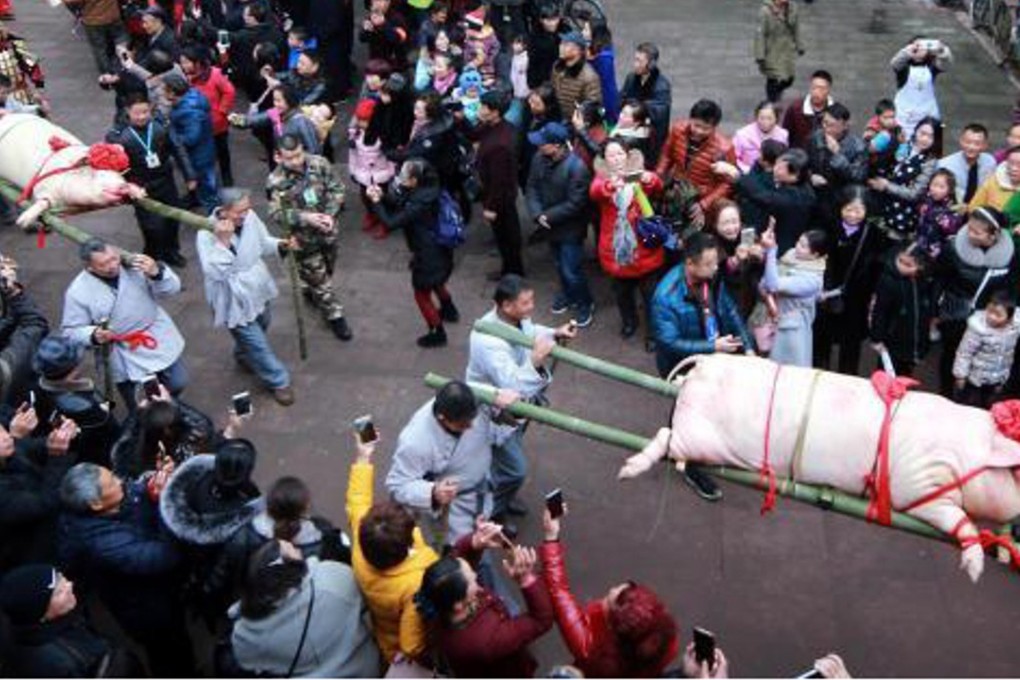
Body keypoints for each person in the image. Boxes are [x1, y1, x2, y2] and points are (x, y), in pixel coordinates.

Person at [57, 461, 194, 676]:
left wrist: (154, 483)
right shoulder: (104, 544)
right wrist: (165, 503)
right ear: (95, 504)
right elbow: (166, 556)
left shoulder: (110, 504)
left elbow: (135, 494)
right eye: (111, 481)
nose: (119, 480)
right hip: (145, 607)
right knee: (167, 650)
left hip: (160, 589)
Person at [650, 231, 753, 501]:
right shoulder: (665, 297)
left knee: (716, 403)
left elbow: (728, 308)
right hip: (683, 365)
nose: (716, 268)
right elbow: (668, 341)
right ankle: (689, 465)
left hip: (714, 355)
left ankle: (711, 446)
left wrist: (748, 345)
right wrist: (712, 347)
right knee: (688, 412)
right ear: (690, 264)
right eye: (709, 264)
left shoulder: (712, 276)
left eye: (716, 262)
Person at [466, 277, 575, 520]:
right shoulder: (487, 341)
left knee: (504, 463)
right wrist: (536, 360)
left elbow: (531, 332)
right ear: (506, 305)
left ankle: (501, 492)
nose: (531, 307)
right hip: (494, 412)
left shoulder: (516, 319)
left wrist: (554, 333)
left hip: (513, 411)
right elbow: (512, 385)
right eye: (526, 303)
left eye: (531, 301)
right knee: (515, 471)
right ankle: (492, 514)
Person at [540, 508, 680, 678]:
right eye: (629, 585)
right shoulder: (667, 644)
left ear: (612, 627)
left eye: (607, 601)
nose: (612, 589)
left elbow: (558, 590)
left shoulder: (587, 645)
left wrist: (551, 537)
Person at [196, 188, 297, 406]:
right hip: (233, 294)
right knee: (257, 342)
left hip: (257, 285)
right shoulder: (205, 233)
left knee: (264, 321)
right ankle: (279, 381)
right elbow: (213, 271)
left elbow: (262, 242)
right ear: (223, 211)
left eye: (247, 209)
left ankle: (243, 354)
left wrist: (280, 244)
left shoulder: (250, 218)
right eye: (239, 211)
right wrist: (222, 243)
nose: (245, 215)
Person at [386, 380, 514, 547]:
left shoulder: (477, 393)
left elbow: (505, 410)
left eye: (472, 419)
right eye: (463, 424)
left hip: (482, 489)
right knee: (466, 550)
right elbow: (397, 485)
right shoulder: (415, 441)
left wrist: (511, 406)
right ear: (442, 418)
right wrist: (433, 492)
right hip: (455, 508)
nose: (470, 426)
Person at [345, 431, 437, 664]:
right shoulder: (415, 583)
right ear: (407, 543)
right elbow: (410, 644)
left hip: (384, 634)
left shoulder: (361, 539)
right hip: (400, 647)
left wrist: (363, 457)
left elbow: (358, 499)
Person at [61, 239, 187, 408]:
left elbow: (171, 289)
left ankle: (168, 408)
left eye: (113, 258)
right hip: (122, 350)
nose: (112, 266)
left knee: (178, 381)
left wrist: (157, 272)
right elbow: (70, 331)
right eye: (103, 264)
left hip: (154, 333)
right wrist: (93, 335)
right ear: (89, 267)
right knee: (138, 403)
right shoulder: (77, 291)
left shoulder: (137, 266)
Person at [227, 539, 381, 677]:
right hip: (362, 670)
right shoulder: (333, 578)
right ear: (292, 569)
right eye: (294, 549)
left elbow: (246, 661)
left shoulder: (246, 634)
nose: (300, 551)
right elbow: (366, 602)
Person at [207, 475, 351, 611]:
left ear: (268, 506)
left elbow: (220, 577)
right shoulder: (326, 538)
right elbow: (344, 571)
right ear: (305, 508)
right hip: (302, 608)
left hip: (255, 603)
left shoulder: (243, 536)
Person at [414, 542, 553, 678]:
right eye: (472, 581)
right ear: (459, 605)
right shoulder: (484, 641)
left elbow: (456, 567)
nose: (475, 576)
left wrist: (473, 542)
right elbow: (541, 620)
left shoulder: (440, 600)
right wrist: (526, 579)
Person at [266, 134, 353, 341]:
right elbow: (277, 214)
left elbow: (337, 188)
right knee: (321, 280)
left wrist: (329, 214)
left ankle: (311, 288)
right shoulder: (275, 182)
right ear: (278, 157)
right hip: (302, 240)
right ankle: (335, 315)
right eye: (290, 158)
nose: (296, 161)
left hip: (328, 233)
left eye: (299, 154)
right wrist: (305, 217)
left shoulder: (319, 164)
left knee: (328, 270)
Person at [366, 159, 459, 348]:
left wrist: (376, 203)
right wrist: (383, 196)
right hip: (440, 249)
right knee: (436, 282)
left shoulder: (419, 203)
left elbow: (391, 222)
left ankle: (436, 331)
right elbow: (402, 203)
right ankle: (449, 309)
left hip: (427, 253)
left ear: (415, 180)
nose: (400, 180)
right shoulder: (429, 189)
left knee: (421, 293)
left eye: (404, 178)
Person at [936, 207, 1018, 395]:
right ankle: (946, 393)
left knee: (982, 357)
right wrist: (934, 312)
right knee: (952, 354)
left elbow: (1011, 286)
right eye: (969, 228)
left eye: (977, 232)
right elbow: (940, 279)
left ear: (994, 234)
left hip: (988, 316)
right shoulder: (954, 247)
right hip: (956, 311)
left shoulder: (1011, 253)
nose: (970, 234)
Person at [590, 138, 665, 338]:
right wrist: (610, 185)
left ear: (628, 154)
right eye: (611, 155)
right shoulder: (602, 178)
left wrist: (652, 178)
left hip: (644, 244)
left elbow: (657, 185)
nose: (616, 159)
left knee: (650, 296)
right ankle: (629, 322)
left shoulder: (637, 174)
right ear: (604, 159)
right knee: (623, 294)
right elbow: (596, 191)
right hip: (617, 248)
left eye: (620, 153)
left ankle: (652, 333)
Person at [106, 93, 191, 267]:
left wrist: (190, 175)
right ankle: (152, 255)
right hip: (140, 186)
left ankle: (172, 252)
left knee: (173, 218)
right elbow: (115, 167)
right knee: (151, 226)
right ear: (128, 111)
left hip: (165, 181)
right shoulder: (118, 135)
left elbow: (178, 149)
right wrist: (126, 187)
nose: (142, 116)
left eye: (145, 112)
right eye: (137, 113)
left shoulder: (161, 126)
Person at [526, 121, 595, 325]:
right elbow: (531, 188)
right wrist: (537, 214)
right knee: (559, 264)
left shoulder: (577, 168)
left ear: (556, 145)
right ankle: (568, 294)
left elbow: (575, 204)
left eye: (543, 143)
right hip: (549, 226)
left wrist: (547, 216)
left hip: (570, 229)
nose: (538, 146)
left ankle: (585, 303)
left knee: (571, 270)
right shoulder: (538, 158)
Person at [813, 186, 885, 375]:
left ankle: (847, 376)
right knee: (822, 338)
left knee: (851, 343)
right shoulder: (828, 226)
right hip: (828, 293)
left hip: (857, 298)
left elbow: (877, 268)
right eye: (849, 209)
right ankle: (821, 372)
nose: (853, 215)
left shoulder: (874, 234)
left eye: (858, 210)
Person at [0, 563, 119, 677]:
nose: (69, 585)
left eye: (62, 578)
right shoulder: (56, 666)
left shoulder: (62, 614)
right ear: (41, 613)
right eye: (59, 592)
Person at [0, 411, 78, 571]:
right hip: (31, 553)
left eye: (2, 430)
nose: (6, 436)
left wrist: (64, 435)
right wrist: (57, 457)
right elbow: (43, 504)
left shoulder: (10, 451)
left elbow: (39, 446)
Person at [33, 336, 121, 467]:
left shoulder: (37, 386)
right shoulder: (86, 407)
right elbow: (115, 435)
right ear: (73, 371)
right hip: (95, 460)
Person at [656, 99, 736, 230]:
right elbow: (667, 155)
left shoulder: (725, 148)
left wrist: (704, 204)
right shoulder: (677, 130)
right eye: (696, 125)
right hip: (676, 190)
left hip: (702, 198)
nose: (698, 131)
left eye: (705, 128)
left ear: (715, 127)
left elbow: (727, 183)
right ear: (690, 119)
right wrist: (658, 175)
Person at [719, 148, 815, 253]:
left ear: (795, 175)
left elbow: (764, 196)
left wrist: (736, 174)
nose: (775, 168)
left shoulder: (798, 198)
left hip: (779, 245)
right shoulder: (783, 181)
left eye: (780, 167)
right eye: (777, 163)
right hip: (757, 229)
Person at [759, 225, 827, 367]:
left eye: (803, 246)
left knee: (791, 373)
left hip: (792, 331)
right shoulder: (790, 256)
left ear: (815, 255)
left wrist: (771, 251)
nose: (797, 247)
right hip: (773, 321)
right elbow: (765, 281)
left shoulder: (813, 279)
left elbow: (773, 285)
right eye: (798, 242)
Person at [475, 90, 524, 279]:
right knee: (506, 235)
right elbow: (474, 133)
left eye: (484, 107)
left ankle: (512, 272)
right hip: (501, 193)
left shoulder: (500, 144)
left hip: (500, 197)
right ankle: (510, 269)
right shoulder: (498, 127)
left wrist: (491, 207)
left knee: (506, 236)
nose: (480, 109)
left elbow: (499, 181)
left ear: (495, 111)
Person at [867, 115, 940, 236]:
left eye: (931, 136)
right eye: (922, 133)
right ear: (916, 130)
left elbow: (915, 193)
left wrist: (887, 186)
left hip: (901, 214)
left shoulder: (930, 161)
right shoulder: (904, 144)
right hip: (880, 204)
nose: (925, 139)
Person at [869, 244, 933, 377]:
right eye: (900, 261)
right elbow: (879, 311)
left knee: (905, 374)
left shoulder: (923, 281)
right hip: (891, 340)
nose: (901, 266)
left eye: (908, 264)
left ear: (920, 266)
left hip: (911, 341)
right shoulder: (888, 280)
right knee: (885, 373)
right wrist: (877, 338)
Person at [180, 43, 236, 187]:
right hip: (198, 126)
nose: (183, 65)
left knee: (222, 152)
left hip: (217, 124)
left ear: (197, 62)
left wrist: (221, 111)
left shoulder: (214, 74)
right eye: (182, 62)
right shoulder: (186, 79)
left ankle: (227, 178)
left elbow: (229, 92)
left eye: (186, 62)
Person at [952, 290, 1020, 408]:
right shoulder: (978, 328)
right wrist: (960, 375)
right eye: (989, 311)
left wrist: (1003, 379)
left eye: (998, 314)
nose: (991, 317)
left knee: (989, 405)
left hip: (998, 377)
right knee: (969, 406)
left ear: (1010, 318)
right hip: (975, 378)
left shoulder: (1015, 327)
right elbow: (964, 353)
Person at [164, 71, 220, 214]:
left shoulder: (189, 112)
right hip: (205, 150)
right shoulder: (193, 96)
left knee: (207, 190)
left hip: (198, 157)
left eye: (165, 89)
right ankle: (196, 199)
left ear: (173, 92)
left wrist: (172, 135)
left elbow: (191, 138)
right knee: (204, 183)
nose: (163, 92)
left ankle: (214, 218)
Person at [806, 103, 868, 228]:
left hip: (839, 201)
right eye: (824, 123)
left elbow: (859, 177)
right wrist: (810, 176)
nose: (826, 128)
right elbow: (805, 163)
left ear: (844, 125)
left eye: (831, 125)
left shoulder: (858, 146)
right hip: (815, 197)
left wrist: (837, 155)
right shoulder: (816, 136)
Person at [707, 199, 764, 319]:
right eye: (725, 223)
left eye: (735, 221)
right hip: (724, 304)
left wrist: (761, 256)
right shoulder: (708, 244)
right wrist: (735, 261)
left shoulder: (748, 235)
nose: (732, 228)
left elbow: (760, 270)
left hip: (749, 298)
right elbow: (712, 278)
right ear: (714, 224)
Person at [618, 42, 671, 165]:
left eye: (639, 61)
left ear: (650, 64)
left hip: (650, 135)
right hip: (631, 127)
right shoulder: (631, 78)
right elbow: (622, 98)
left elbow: (660, 113)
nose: (635, 64)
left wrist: (637, 107)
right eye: (635, 59)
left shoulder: (662, 86)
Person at [891, 37, 952, 139]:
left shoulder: (932, 66)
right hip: (905, 116)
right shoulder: (904, 67)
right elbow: (895, 63)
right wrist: (907, 52)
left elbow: (947, 64)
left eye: (923, 46)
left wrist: (942, 50)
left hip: (927, 114)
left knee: (928, 146)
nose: (920, 49)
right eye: (916, 46)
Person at [753, 0, 802, 103]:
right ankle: (771, 101)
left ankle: (777, 91)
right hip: (771, 51)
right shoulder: (765, 11)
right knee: (772, 78)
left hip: (787, 51)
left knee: (789, 79)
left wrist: (799, 45)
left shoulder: (793, 8)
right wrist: (760, 55)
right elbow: (760, 34)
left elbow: (796, 28)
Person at [937, 123, 996, 205]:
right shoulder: (946, 165)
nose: (971, 147)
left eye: (977, 144)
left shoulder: (990, 162)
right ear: (961, 141)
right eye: (968, 142)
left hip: (979, 206)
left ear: (985, 145)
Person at [65, 0, 127, 75]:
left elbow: (69, 2)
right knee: (121, 40)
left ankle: (107, 73)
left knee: (99, 49)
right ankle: (124, 65)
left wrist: (77, 12)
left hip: (93, 21)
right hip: (113, 17)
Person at [915, 169, 964, 261]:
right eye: (934, 185)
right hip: (921, 240)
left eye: (941, 187)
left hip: (936, 249)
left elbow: (953, 227)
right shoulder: (927, 198)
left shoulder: (952, 207)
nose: (935, 190)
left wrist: (944, 221)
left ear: (950, 190)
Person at [550, 31, 603, 117]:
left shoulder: (589, 77)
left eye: (566, 45)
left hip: (574, 124)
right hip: (556, 118)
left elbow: (593, 106)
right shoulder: (557, 67)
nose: (560, 47)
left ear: (578, 50)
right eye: (561, 44)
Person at [780, 69, 832, 150]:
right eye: (814, 87)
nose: (816, 92)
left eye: (821, 88)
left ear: (828, 90)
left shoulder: (835, 111)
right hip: (799, 157)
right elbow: (785, 135)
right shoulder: (795, 109)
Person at [733, 101, 789, 173]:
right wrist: (745, 169)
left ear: (776, 119)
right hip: (748, 172)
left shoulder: (783, 135)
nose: (765, 122)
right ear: (756, 117)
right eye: (762, 118)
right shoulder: (742, 134)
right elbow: (734, 157)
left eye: (769, 118)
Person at [969, 146, 1020, 216]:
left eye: (1019, 164)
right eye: (1011, 163)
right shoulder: (994, 181)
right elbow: (973, 207)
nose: (1014, 168)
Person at [587, 22, 618, 124]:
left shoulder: (604, 59)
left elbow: (606, 89)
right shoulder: (603, 52)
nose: (583, 32)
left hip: (604, 104)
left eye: (586, 29)